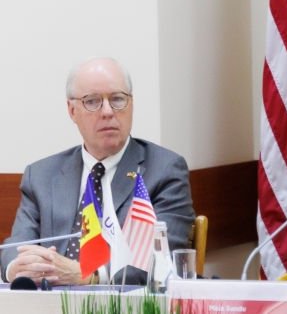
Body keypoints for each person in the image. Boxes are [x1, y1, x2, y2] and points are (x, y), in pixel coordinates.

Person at [1, 57, 195, 285]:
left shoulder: (164, 170)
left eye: (117, 99)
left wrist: (88, 274)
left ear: (131, 104)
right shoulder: (41, 176)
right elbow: (16, 247)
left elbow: (159, 258)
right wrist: (17, 268)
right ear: (72, 111)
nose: (107, 111)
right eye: (92, 101)